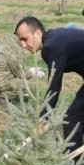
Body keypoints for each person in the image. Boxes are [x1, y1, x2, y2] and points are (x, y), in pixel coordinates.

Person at [14, 16, 84, 152]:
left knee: (72, 118)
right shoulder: (53, 38)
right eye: (20, 41)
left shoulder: (51, 47)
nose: (23, 45)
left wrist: (42, 119)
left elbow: (54, 86)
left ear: (38, 33)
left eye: (25, 39)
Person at [0, 33, 44, 105]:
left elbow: (17, 66)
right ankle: (1, 98)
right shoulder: (16, 50)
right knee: (26, 86)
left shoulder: (9, 43)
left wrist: (29, 69)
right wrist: (32, 72)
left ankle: (3, 92)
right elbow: (20, 74)